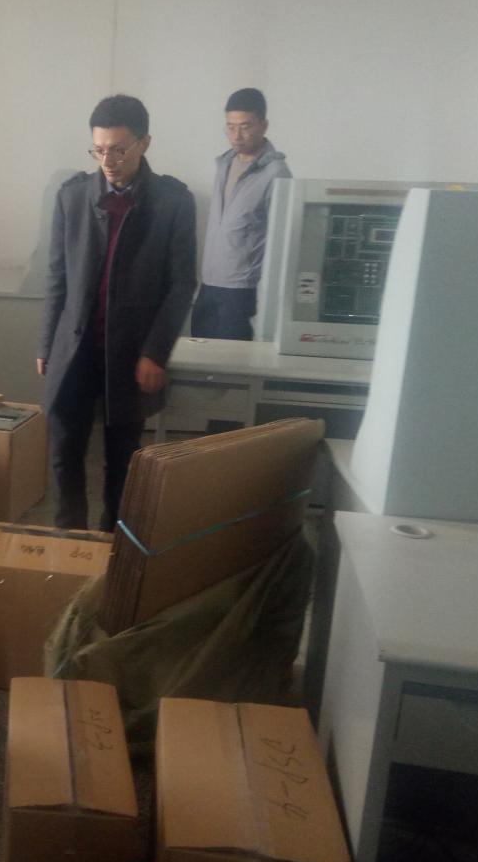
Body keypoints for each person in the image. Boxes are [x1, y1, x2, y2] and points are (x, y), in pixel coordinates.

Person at [37, 94, 197, 532]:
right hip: (75, 348)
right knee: (64, 454)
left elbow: (182, 284)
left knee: (121, 459)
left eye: (119, 150)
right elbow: (56, 277)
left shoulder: (173, 202)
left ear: (145, 143)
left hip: (131, 352)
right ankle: (68, 542)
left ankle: (114, 545)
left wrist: (155, 352)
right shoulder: (72, 197)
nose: (108, 161)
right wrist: (46, 343)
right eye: (99, 150)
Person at [191, 87, 292, 340]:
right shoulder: (224, 163)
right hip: (209, 282)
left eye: (245, 126)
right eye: (230, 127)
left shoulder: (276, 173)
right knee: (199, 356)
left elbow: (282, 241)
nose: (236, 136)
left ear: (264, 126)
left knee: (231, 359)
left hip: (242, 290)